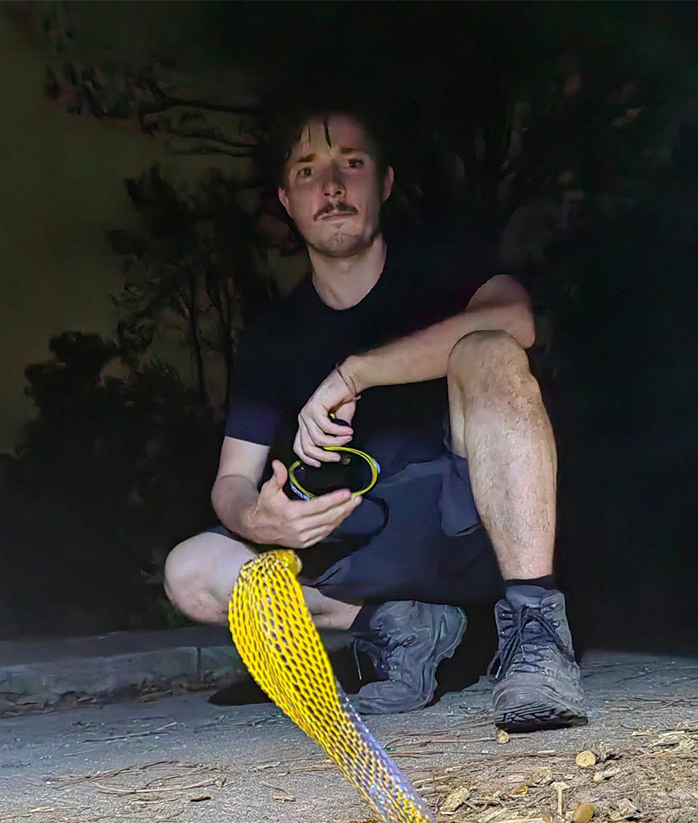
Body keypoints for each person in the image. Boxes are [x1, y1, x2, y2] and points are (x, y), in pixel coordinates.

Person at [163, 110, 587, 730]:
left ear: (383, 183)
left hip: (469, 524)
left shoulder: (439, 269)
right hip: (363, 548)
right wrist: (254, 515)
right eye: (309, 172)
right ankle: (398, 627)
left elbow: (516, 320)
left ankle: (537, 630)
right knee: (192, 571)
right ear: (287, 199)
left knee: (490, 348)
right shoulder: (272, 336)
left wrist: (359, 371)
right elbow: (232, 479)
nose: (331, 187)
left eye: (350, 165)